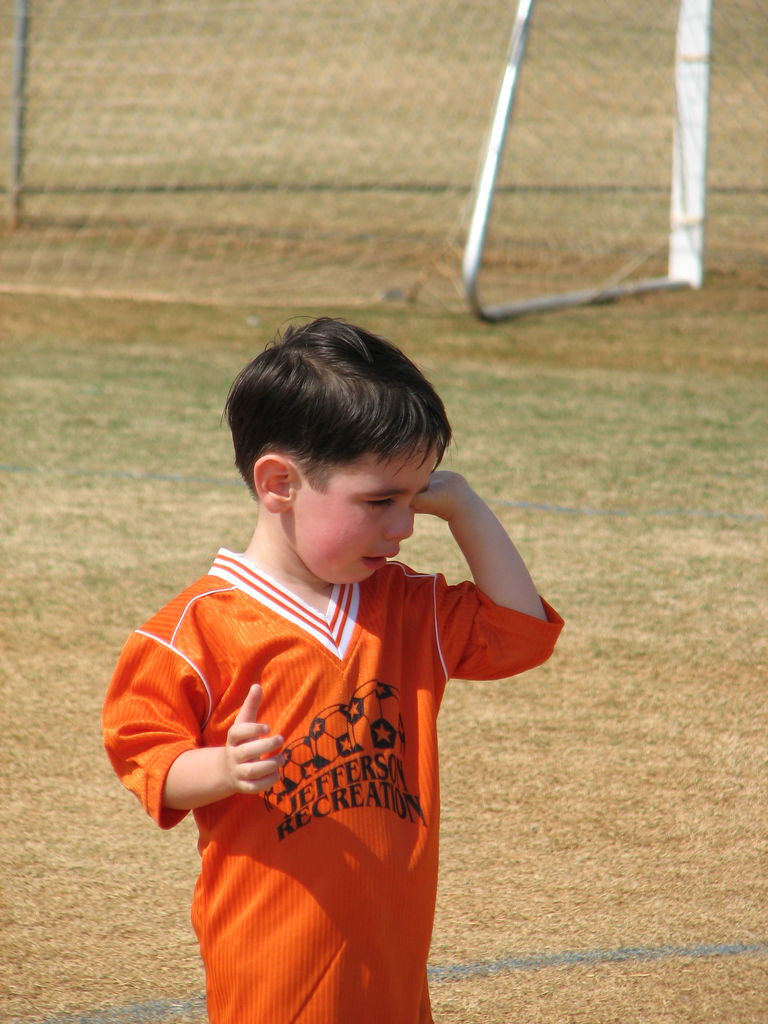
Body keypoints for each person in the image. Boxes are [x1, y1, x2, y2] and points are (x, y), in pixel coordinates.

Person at [102, 317, 564, 1024]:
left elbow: (522, 633)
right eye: (380, 502)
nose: (405, 525)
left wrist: (466, 506)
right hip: (273, 980)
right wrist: (222, 769)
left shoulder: (408, 608)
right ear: (279, 483)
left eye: (415, 499)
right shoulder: (194, 630)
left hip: (392, 975)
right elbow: (146, 758)